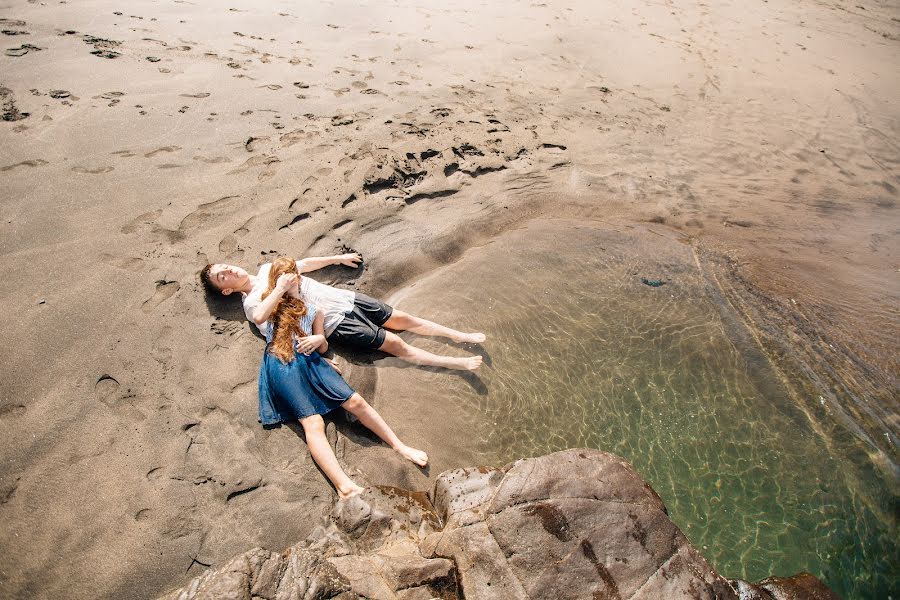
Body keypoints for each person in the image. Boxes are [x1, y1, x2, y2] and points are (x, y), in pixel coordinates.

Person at [258, 257, 428, 499]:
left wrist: (318, 340)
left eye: (292, 274)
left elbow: (323, 344)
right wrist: (278, 290)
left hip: (312, 361)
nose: (292, 279)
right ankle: (344, 487)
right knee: (313, 422)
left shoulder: (313, 308)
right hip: (282, 361)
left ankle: (401, 446)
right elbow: (258, 317)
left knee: (356, 402)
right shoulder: (272, 304)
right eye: (284, 276)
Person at [201, 252, 485, 370]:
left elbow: (305, 264)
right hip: (334, 323)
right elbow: (272, 328)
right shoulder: (251, 304)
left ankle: (458, 335)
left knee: (402, 318)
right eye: (221, 276)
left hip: (344, 298)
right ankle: (453, 363)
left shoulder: (266, 268)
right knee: (395, 343)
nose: (227, 270)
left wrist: (339, 258)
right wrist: (280, 289)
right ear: (226, 290)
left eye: (224, 267)